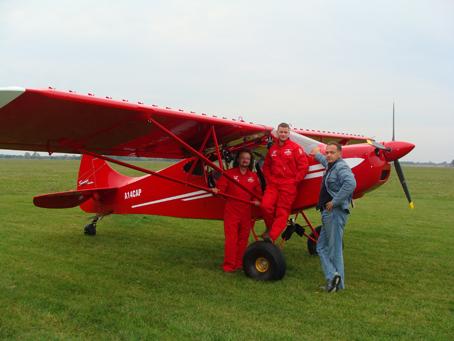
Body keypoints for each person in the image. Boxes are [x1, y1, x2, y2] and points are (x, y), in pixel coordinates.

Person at [311, 142, 356, 292]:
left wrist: (335, 201)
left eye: (332, 152)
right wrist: (317, 154)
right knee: (321, 247)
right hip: (327, 213)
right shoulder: (331, 165)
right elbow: (325, 160)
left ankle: (336, 281)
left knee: (334, 250)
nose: (328, 155)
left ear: (339, 154)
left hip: (334, 213)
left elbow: (350, 183)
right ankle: (334, 280)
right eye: (327, 152)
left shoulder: (341, 167)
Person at [212, 149, 262, 272]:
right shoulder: (228, 174)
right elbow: (221, 190)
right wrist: (216, 191)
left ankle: (239, 263)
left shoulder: (253, 176)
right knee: (231, 239)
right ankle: (229, 265)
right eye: (243, 158)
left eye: (248, 159)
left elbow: (257, 193)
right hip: (232, 210)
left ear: (250, 161)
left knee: (243, 238)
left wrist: (257, 200)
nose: (245, 160)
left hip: (246, 211)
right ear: (238, 160)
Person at [261, 123, 309, 242]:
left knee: (282, 212)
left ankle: (271, 237)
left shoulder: (295, 148)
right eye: (281, 132)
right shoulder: (272, 149)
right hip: (273, 184)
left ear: (289, 133)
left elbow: (304, 166)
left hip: (288, 185)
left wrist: (294, 181)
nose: (283, 134)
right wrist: (269, 178)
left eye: (285, 132)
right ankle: (271, 227)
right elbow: (266, 166)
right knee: (265, 206)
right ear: (277, 133)